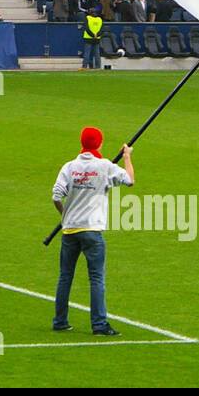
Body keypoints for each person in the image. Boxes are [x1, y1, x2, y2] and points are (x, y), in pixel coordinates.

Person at [51, 127, 133, 335]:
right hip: (92, 231)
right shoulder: (104, 166)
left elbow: (56, 196)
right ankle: (99, 325)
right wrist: (126, 157)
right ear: (99, 144)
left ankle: (60, 321)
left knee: (65, 276)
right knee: (96, 278)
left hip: (69, 230)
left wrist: (65, 216)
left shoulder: (69, 167)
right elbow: (130, 180)